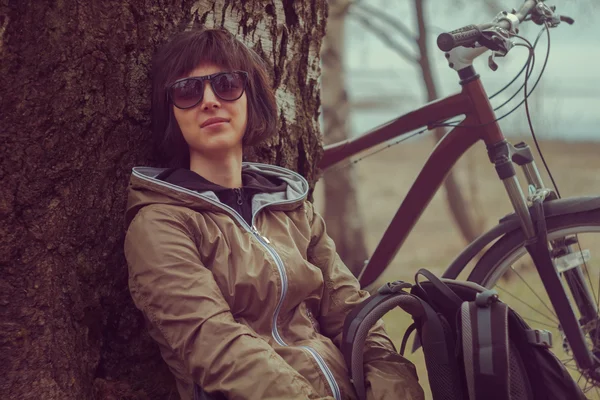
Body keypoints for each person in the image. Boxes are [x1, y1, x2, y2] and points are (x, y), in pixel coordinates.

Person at [123, 28, 424, 400]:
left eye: (227, 84)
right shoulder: (160, 225)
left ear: (252, 99)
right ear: (170, 113)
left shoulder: (292, 209)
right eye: (188, 91)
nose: (209, 101)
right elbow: (214, 346)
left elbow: (354, 314)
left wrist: (394, 388)